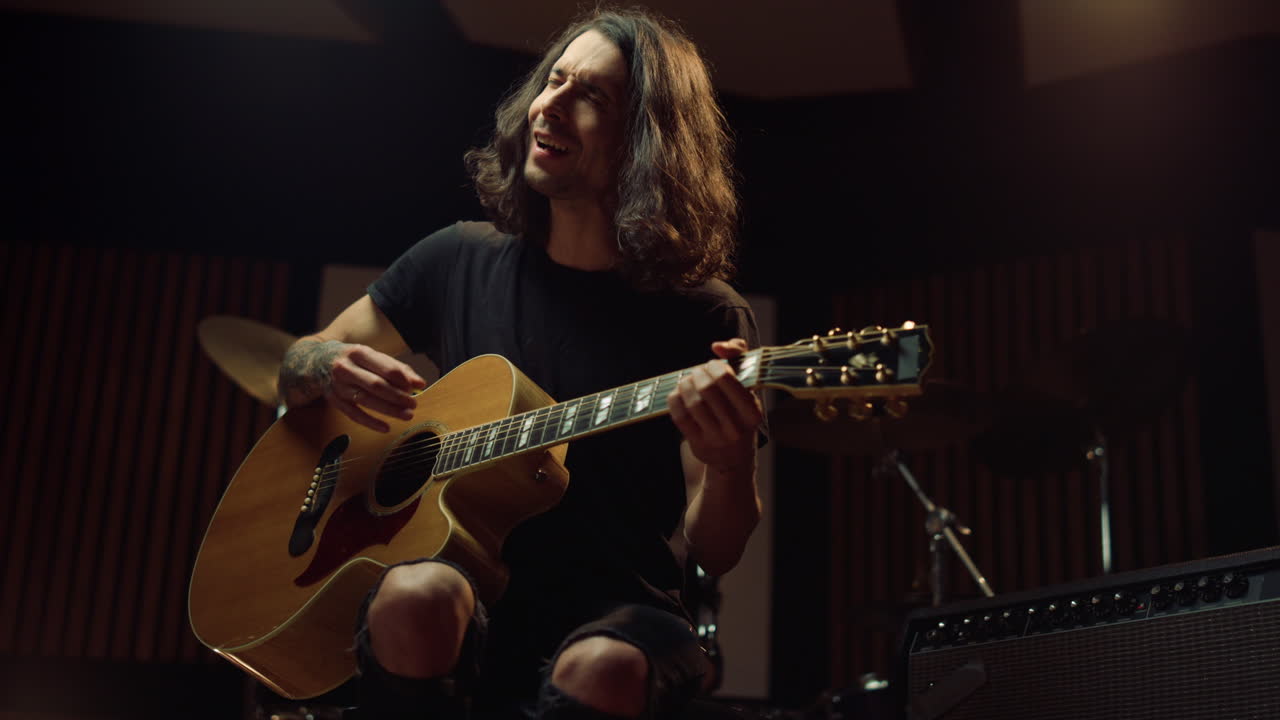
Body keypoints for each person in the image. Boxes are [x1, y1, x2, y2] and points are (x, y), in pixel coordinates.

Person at [278, 8, 764, 719]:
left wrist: (730, 463)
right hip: (460, 592)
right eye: (554, 81)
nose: (551, 106)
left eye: (590, 96)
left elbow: (716, 552)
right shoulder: (454, 259)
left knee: (601, 667)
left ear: (646, 144)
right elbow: (293, 367)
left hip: (621, 613)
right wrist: (324, 365)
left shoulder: (705, 315)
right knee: (413, 596)